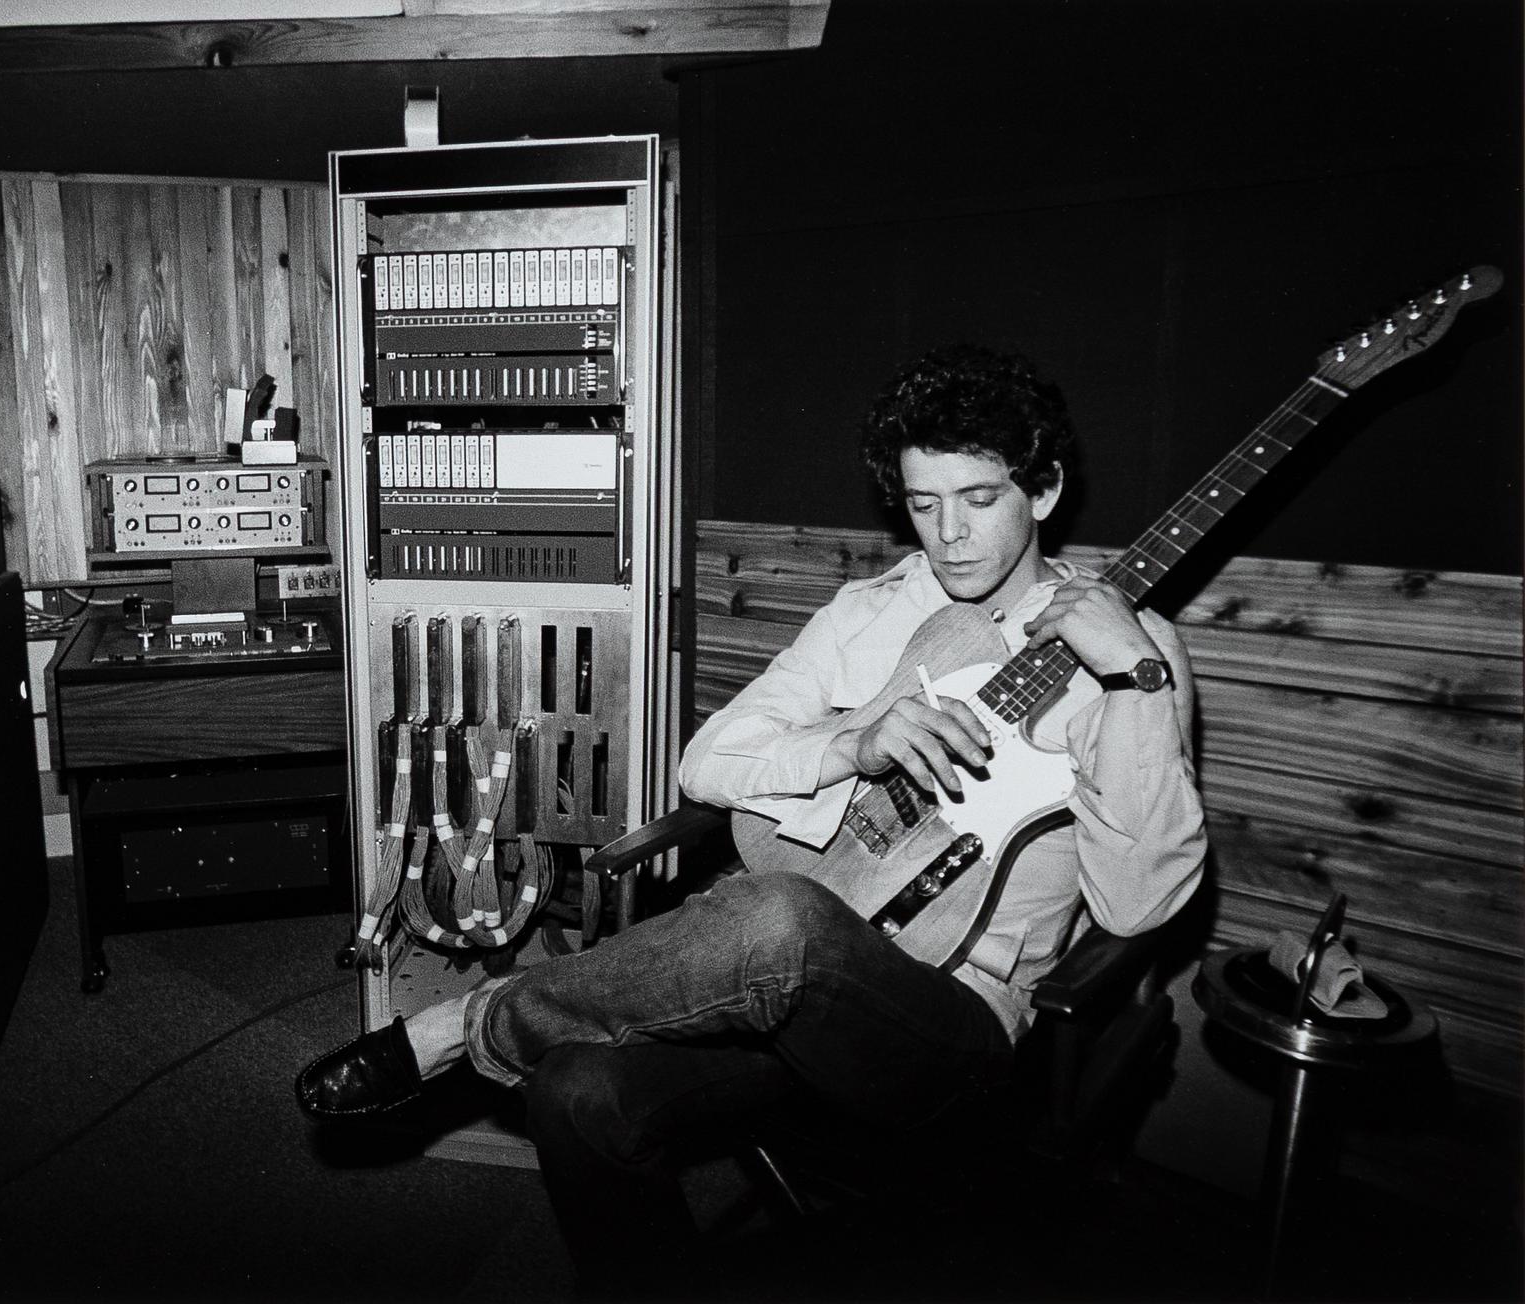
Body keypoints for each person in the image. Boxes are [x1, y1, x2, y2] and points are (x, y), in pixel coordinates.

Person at [294, 343, 1207, 1292]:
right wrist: (851, 745)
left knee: (778, 915)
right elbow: (711, 759)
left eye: (979, 499)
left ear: (1044, 492)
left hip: (951, 1019)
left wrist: (1131, 674)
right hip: (772, 975)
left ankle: (467, 1023)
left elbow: (1142, 905)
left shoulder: (1135, 653)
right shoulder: (869, 613)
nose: (949, 536)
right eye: (923, 505)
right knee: (577, 1090)